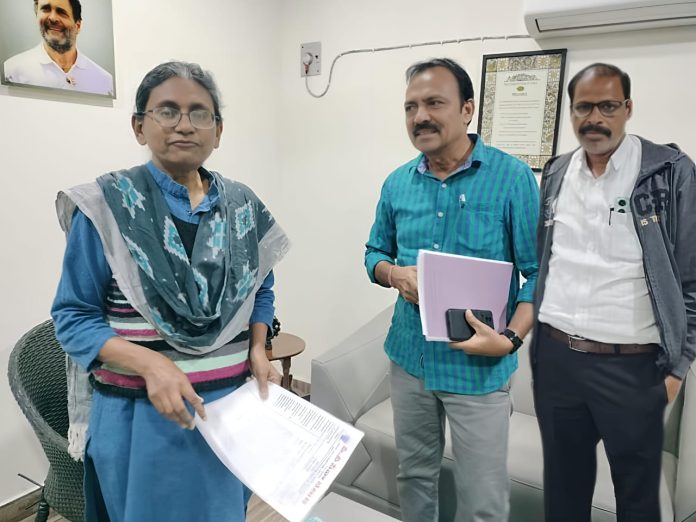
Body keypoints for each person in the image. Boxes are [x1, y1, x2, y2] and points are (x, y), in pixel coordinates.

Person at [51, 61, 289, 521]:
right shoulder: (106, 208)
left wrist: (258, 348)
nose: (184, 124)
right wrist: (151, 364)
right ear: (139, 126)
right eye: (167, 111)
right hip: (141, 421)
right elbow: (73, 318)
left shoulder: (242, 206)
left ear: (218, 131)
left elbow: (262, 289)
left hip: (229, 417)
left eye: (199, 113)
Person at [364, 58, 539, 522]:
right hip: (411, 360)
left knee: (483, 500)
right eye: (410, 107)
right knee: (414, 478)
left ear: (466, 109)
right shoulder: (397, 184)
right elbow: (373, 253)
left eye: (434, 103)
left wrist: (510, 339)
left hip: (479, 370)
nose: (420, 116)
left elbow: (539, 274)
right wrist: (392, 274)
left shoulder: (512, 178)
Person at [532, 63, 696, 522]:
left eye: (607, 106)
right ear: (570, 112)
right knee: (563, 493)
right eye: (583, 107)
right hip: (557, 359)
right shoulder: (557, 172)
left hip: (633, 368)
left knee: (638, 500)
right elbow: (545, 259)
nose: (595, 119)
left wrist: (678, 367)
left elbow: (691, 280)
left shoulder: (669, 173)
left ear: (628, 108)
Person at [3, 0, 113, 96]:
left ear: (78, 26)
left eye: (61, 12)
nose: (52, 18)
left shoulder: (104, 81)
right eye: (46, 9)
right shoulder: (12, 71)